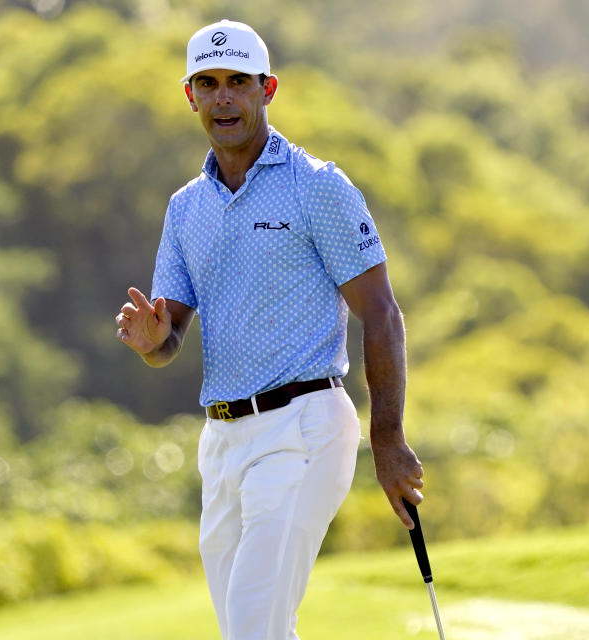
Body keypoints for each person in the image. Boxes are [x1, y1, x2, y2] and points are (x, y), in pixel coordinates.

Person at [116, 19, 424, 640]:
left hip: (304, 427)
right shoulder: (186, 208)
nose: (223, 97)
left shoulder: (316, 187)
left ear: (267, 89)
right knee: (254, 630)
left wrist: (387, 437)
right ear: (191, 95)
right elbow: (169, 336)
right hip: (223, 443)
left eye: (238, 82)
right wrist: (154, 343)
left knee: (254, 627)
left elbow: (382, 311)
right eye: (209, 83)